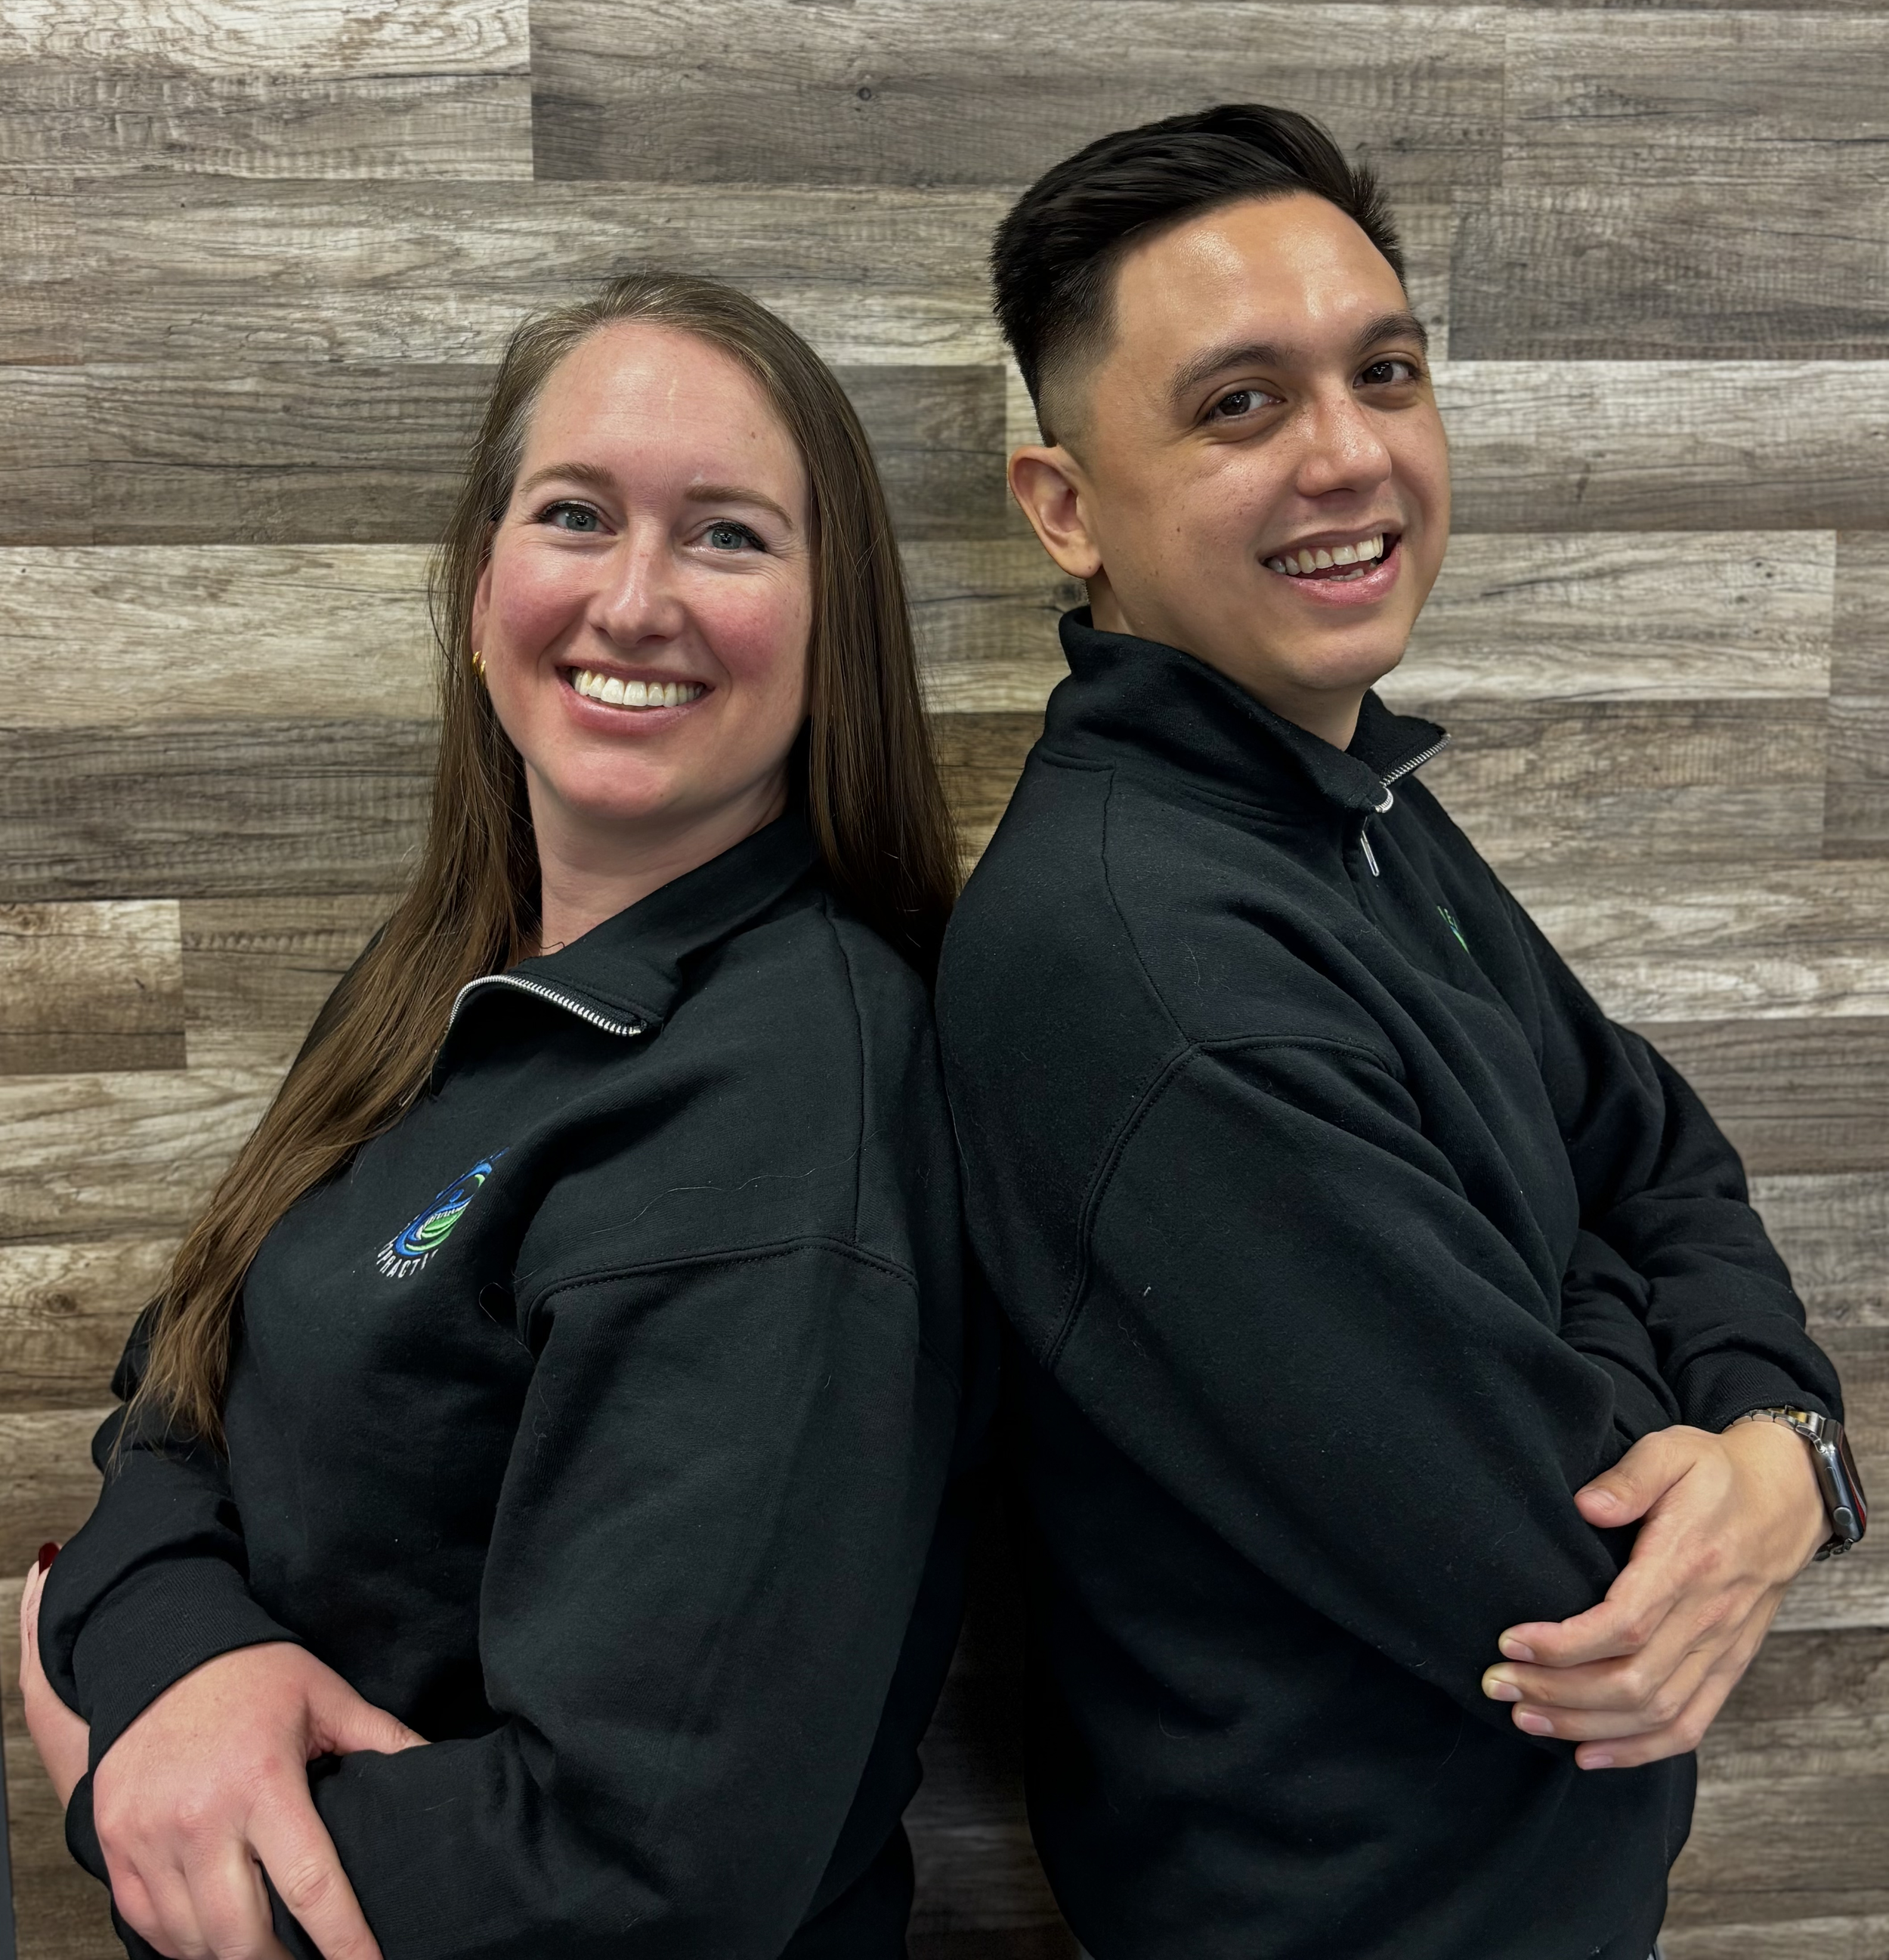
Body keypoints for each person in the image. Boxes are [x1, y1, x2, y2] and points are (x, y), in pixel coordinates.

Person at [935, 107, 1863, 1959]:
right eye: (1237, 406)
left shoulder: (1334, 793)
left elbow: (1649, 1149)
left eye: (1384, 372)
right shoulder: (1143, 970)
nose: (1348, 455)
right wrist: (1739, 1432)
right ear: (1063, 508)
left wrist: (1769, 1429)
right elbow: (1574, 1572)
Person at [21, 270, 984, 1960]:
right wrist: (179, 1648)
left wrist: (130, 1786)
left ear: (834, 629)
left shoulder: (781, 1105)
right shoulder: (443, 975)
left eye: (728, 536)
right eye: (573, 514)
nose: (633, 597)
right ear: (480, 592)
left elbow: (639, 1884)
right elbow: (177, 1397)